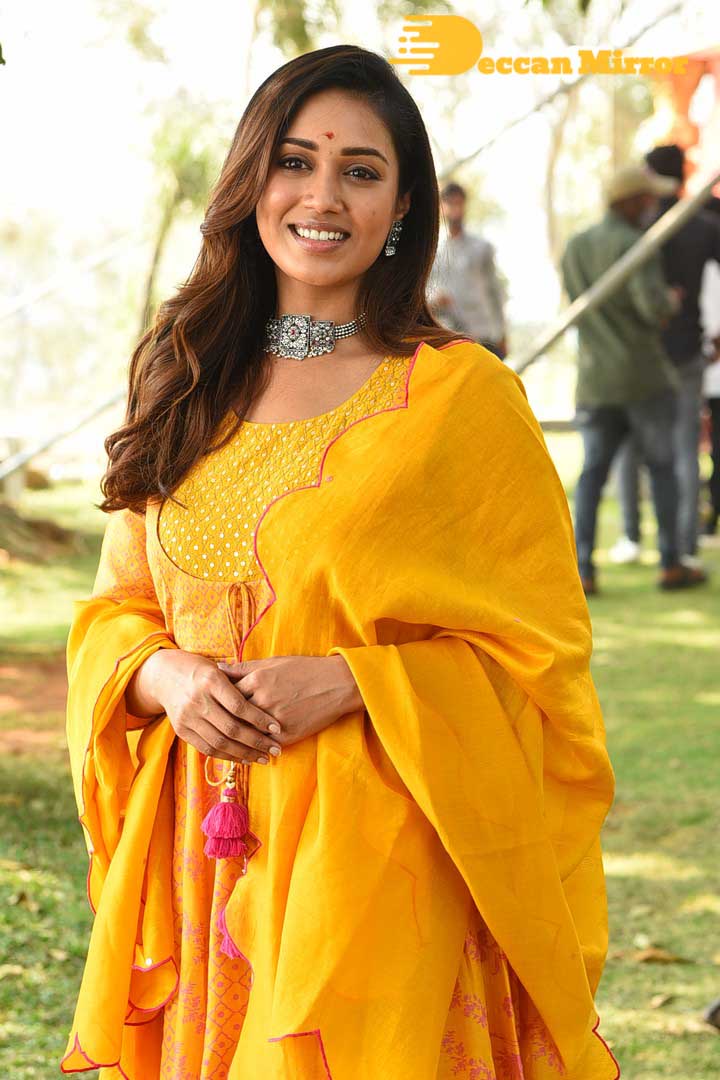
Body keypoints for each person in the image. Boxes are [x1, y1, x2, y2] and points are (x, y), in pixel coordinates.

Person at [61, 45, 619, 1079]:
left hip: (382, 868)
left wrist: (359, 681)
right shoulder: (186, 376)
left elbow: (542, 662)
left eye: (361, 171)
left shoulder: (459, 400)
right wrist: (165, 674)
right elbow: (118, 610)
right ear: (251, 183)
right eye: (295, 162)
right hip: (204, 854)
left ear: (403, 207)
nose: (322, 196)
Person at [561, 162, 706, 595]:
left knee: (592, 475)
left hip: (595, 379)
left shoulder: (576, 246)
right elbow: (651, 307)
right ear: (631, 202)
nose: (653, 205)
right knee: (662, 469)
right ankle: (671, 563)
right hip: (643, 377)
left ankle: (583, 568)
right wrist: (671, 300)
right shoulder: (636, 245)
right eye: (647, 198)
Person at [610, 144, 720, 573]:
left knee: (629, 445)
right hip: (688, 349)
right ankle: (685, 544)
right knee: (684, 448)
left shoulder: (638, 224)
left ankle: (631, 536)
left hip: (643, 352)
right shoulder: (703, 225)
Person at [427, 181, 508, 360]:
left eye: (459, 203)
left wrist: (502, 333)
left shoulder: (481, 248)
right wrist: (436, 301)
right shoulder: (432, 252)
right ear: (441, 207)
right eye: (450, 203)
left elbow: (495, 293)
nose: (455, 209)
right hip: (451, 340)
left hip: (484, 336)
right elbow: (424, 297)